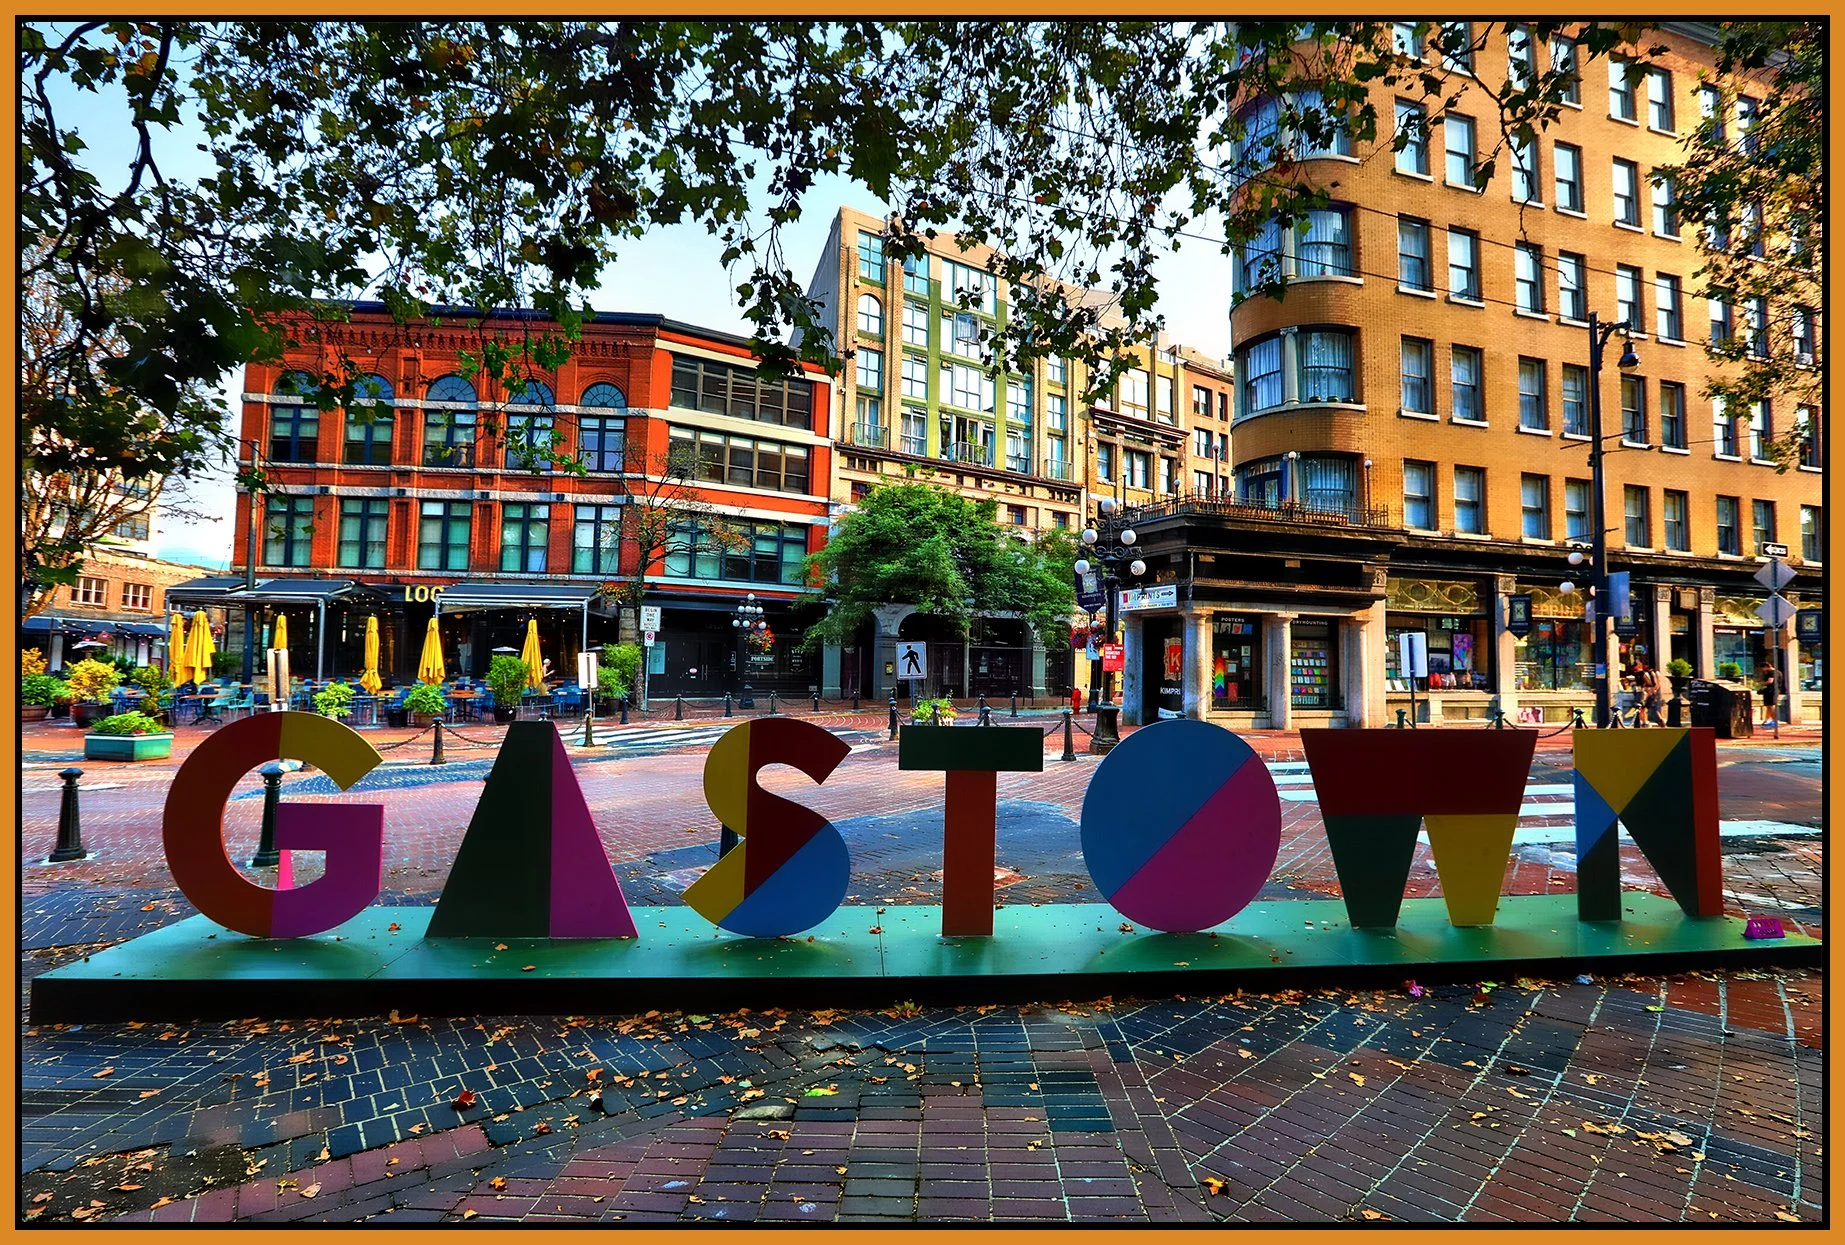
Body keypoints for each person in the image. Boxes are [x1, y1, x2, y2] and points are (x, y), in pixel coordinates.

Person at [1632, 660, 1664, 726]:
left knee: (1644, 708)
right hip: (1651, 692)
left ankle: (1648, 721)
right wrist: (1654, 690)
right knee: (1646, 708)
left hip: (1647, 693)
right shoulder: (1653, 673)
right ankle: (1645, 721)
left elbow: (1648, 683)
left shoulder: (1643, 673)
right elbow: (1657, 684)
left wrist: (1648, 690)